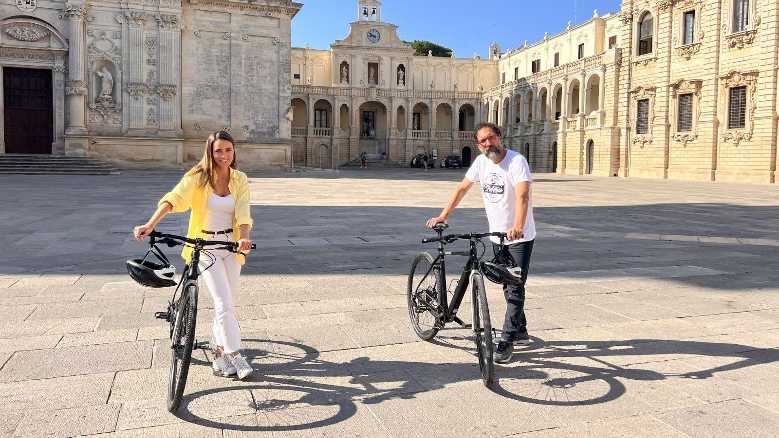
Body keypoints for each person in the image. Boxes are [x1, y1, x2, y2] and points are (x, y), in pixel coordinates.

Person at [133, 130, 255, 379]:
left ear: (234, 151)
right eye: (218, 150)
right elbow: (174, 199)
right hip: (204, 245)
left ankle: (219, 354)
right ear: (210, 152)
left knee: (227, 304)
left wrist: (243, 237)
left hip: (231, 247)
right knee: (223, 302)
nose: (224, 155)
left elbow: (243, 211)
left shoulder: (239, 179)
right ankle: (235, 355)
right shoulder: (198, 177)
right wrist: (151, 224)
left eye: (228, 150)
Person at [426, 122, 536, 364]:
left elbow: (523, 195)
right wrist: (444, 215)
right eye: (483, 141)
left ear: (500, 137)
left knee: (515, 285)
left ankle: (506, 341)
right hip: (496, 235)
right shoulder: (481, 163)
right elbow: (462, 188)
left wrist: (517, 225)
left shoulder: (516, 161)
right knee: (506, 283)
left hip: (520, 236)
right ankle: (520, 328)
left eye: (491, 138)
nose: (488, 144)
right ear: (478, 145)